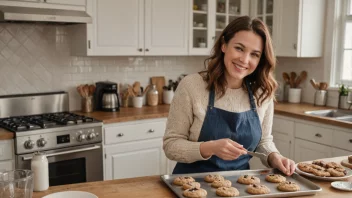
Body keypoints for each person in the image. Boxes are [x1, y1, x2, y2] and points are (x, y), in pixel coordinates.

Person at [163, 16, 295, 175]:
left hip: (238, 186)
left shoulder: (263, 92)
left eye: (254, 54)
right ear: (224, 45)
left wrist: (275, 157)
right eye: (239, 48)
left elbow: (263, 141)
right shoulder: (192, 86)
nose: (244, 59)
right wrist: (210, 147)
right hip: (189, 184)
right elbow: (171, 146)